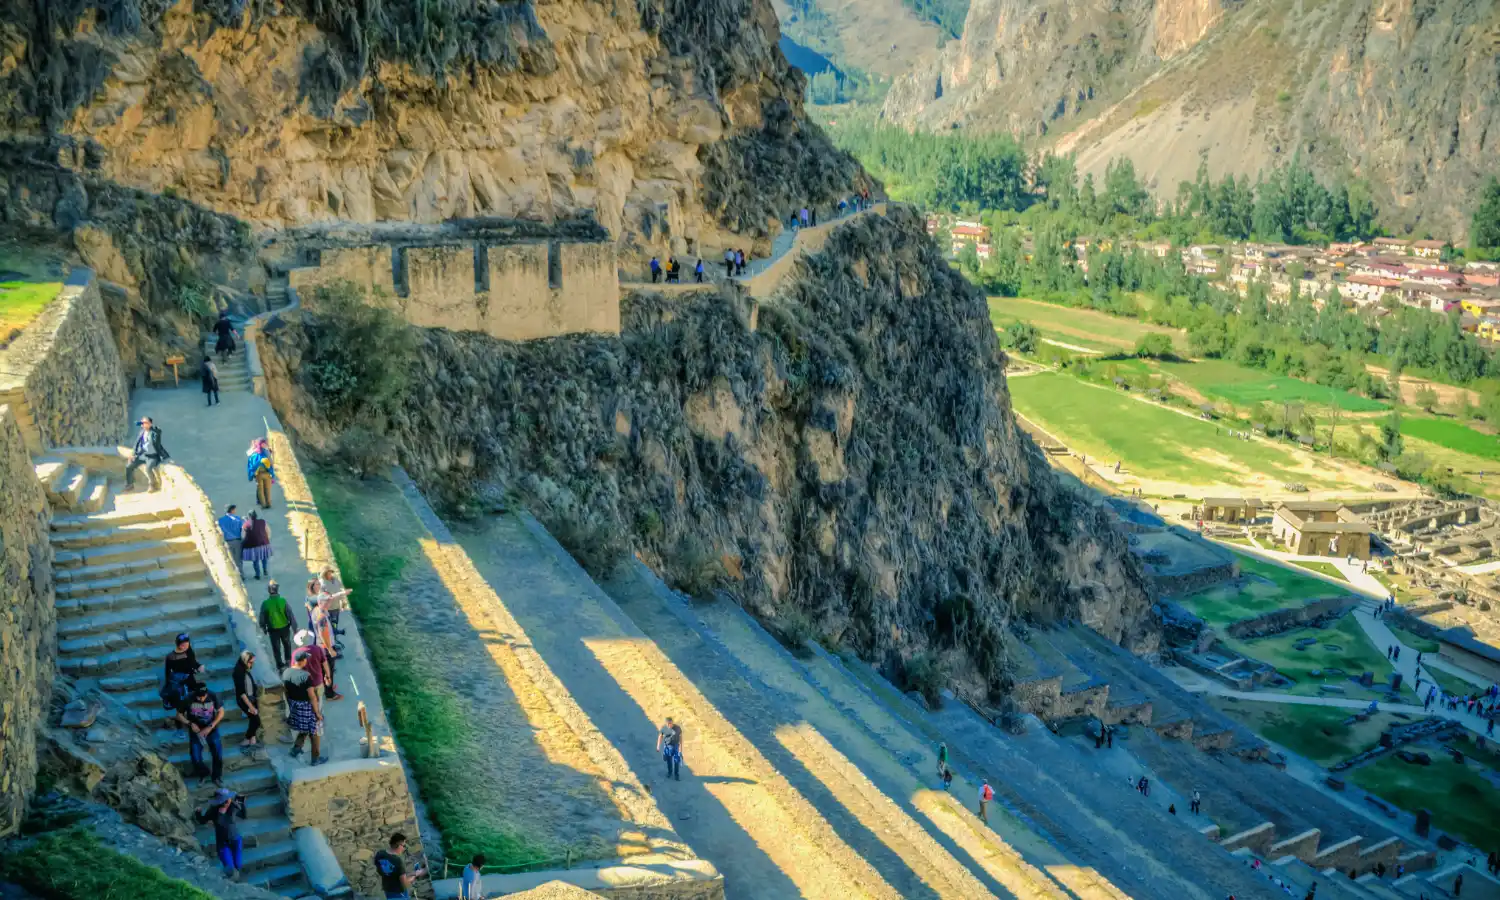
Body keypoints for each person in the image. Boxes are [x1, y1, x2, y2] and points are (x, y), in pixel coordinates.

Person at [176, 681, 226, 786]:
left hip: (211, 729)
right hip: (196, 731)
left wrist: (211, 726)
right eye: (198, 697)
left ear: (206, 693)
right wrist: (189, 724)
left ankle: (217, 777)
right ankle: (204, 773)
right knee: (195, 757)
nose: (201, 699)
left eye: (203, 697)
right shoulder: (188, 698)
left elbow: (221, 712)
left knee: (218, 754)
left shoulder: (213, 695)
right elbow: (179, 715)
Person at [283, 653, 327, 765]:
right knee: (314, 732)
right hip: (306, 707)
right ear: (302, 661)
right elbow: (312, 696)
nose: (307, 661)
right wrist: (317, 713)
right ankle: (315, 759)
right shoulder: (305, 676)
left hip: (294, 705)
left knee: (304, 728)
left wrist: (291, 705)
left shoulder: (286, 673)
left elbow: (286, 692)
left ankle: (296, 749)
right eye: (306, 659)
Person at [196, 788, 247, 880]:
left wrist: (242, 804)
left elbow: (243, 816)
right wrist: (198, 813)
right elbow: (203, 821)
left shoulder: (233, 806)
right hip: (223, 843)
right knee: (229, 867)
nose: (229, 800)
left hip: (235, 839)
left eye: (229, 799)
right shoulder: (214, 810)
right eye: (227, 800)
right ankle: (233, 881)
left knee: (238, 864)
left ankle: (237, 879)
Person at [374, 833, 426, 900]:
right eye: (404, 846)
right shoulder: (398, 861)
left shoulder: (380, 853)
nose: (404, 848)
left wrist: (410, 873)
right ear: (398, 845)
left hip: (387, 889)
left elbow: (383, 871)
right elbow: (404, 884)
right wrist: (414, 876)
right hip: (399, 894)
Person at [161, 633, 205, 710]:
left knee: (194, 698)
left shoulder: (189, 651)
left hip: (190, 678)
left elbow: (193, 662)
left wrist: (199, 666)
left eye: (188, 644)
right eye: (185, 645)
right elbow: (167, 672)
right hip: (180, 681)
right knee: (183, 700)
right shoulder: (170, 657)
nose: (188, 647)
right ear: (180, 645)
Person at [295, 628, 341, 701]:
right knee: (319, 701)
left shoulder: (296, 653)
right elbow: (325, 664)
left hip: (306, 683)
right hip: (317, 681)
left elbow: (295, 670)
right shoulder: (317, 649)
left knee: (310, 700)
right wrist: (328, 677)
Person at [258, 581, 296, 670]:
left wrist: (263, 627)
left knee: (276, 648)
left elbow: (262, 617)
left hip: (272, 629)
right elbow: (290, 615)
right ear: (277, 590)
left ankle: (279, 665)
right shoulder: (283, 601)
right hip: (285, 628)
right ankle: (288, 661)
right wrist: (294, 627)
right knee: (287, 644)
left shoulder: (265, 603)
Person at [125, 417, 169, 492]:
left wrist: (151, 426)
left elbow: (158, 431)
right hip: (142, 455)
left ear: (150, 424)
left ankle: (152, 485)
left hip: (152, 456)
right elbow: (136, 444)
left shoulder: (155, 432)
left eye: (145, 423)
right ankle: (130, 484)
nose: (143, 424)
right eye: (142, 423)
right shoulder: (142, 432)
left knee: (148, 468)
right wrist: (133, 454)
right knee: (129, 466)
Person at [233, 650, 261, 748]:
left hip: (252, 698)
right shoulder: (238, 672)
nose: (252, 664)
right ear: (245, 660)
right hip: (246, 701)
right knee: (256, 721)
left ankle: (252, 740)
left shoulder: (244, 668)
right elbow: (242, 693)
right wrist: (251, 706)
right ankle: (246, 739)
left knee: (253, 719)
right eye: (251, 662)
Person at [319, 566, 350, 640]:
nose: (330, 574)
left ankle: (334, 638)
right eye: (328, 572)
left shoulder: (335, 580)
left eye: (331, 572)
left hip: (336, 607)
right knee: (329, 625)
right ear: (325, 574)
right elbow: (321, 597)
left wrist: (343, 602)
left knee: (335, 623)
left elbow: (341, 589)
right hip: (328, 608)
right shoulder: (322, 583)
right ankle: (331, 640)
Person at [242, 510, 272, 580]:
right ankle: (265, 570)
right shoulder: (262, 521)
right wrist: (266, 539)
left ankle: (257, 574)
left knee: (255, 560)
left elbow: (243, 535)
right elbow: (268, 531)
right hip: (264, 543)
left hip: (253, 544)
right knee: (264, 558)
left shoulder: (246, 524)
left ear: (249, 516)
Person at [218, 504, 245, 578]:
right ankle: (241, 575)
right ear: (232, 510)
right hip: (237, 541)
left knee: (231, 559)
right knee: (238, 559)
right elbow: (243, 530)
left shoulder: (220, 520)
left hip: (227, 542)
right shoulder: (238, 519)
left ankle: (234, 576)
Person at [247, 438, 275, 509]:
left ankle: (263, 504)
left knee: (261, 490)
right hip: (266, 473)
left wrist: (251, 475)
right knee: (267, 489)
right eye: (264, 443)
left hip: (258, 475)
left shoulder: (254, 454)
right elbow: (271, 464)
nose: (265, 444)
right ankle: (268, 503)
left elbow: (251, 465)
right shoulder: (265, 453)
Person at [657, 716, 683, 780]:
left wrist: (680, 748)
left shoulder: (677, 728)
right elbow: (660, 737)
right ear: (666, 723)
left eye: (670, 723)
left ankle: (676, 774)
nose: (669, 725)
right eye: (668, 724)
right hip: (668, 747)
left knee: (676, 760)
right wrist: (658, 746)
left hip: (676, 746)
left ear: (672, 722)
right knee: (669, 761)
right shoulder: (664, 728)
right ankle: (670, 772)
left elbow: (681, 738)